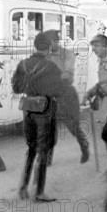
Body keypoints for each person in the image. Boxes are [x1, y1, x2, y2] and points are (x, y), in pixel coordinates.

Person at [12, 32, 67, 201]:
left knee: (31, 148)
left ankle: (22, 188)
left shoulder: (23, 64)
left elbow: (16, 88)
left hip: (28, 109)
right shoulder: (51, 67)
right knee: (43, 150)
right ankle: (39, 191)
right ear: (49, 48)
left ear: (35, 46)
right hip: (45, 110)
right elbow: (59, 91)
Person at [45, 29, 90, 165]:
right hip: (49, 95)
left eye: (49, 42)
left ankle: (84, 146)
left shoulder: (67, 54)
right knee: (48, 128)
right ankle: (47, 158)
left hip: (66, 95)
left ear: (56, 41)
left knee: (73, 125)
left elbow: (68, 74)